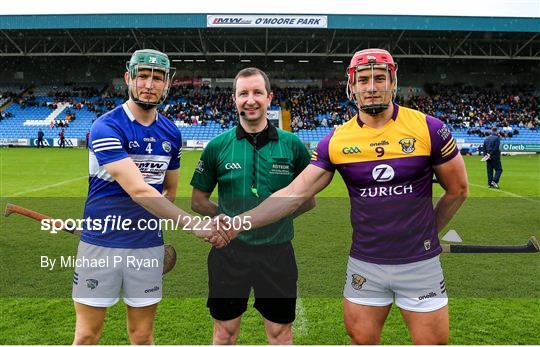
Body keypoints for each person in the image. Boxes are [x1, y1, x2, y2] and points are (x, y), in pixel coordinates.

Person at [210, 49, 469, 344]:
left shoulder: (429, 128)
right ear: (352, 86)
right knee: (361, 340)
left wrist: (428, 234)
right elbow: (294, 193)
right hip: (365, 264)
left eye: (380, 78)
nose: (372, 88)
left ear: (393, 82)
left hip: (420, 264)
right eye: (364, 80)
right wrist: (238, 223)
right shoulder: (337, 140)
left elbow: (458, 190)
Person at [73, 49, 211, 345]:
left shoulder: (171, 133)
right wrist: (193, 224)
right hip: (100, 245)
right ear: (128, 78)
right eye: (143, 76)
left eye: (157, 78)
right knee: (86, 335)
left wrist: (147, 229)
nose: (149, 84)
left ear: (167, 84)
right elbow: (137, 189)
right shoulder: (106, 126)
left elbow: (169, 192)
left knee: (143, 336)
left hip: (146, 247)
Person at [190, 67, 315, 345]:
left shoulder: (292, 145)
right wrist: (225, 218)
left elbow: (309, 199)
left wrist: (277, 217)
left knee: (280, 333)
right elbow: (197, 201)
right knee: (224, 333)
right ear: (234, 99)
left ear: (269, 97)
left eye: (257, 92)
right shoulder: (217, 146)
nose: (251, 99)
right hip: (228, 253)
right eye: (243, 93)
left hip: (277, 254)